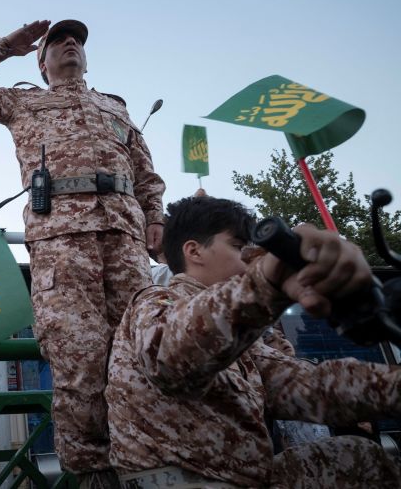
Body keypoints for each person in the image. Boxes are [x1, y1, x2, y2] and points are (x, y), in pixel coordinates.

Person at [0, 19, 165, 485]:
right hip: (62, 242)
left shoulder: (116, 108)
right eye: (59, 41)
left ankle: (148, 464)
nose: (71, 45)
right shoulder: (22, 102)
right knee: (79, 363)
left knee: (143, 351)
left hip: (124, 241)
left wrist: (157, 220)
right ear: (42, 62)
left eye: (78, 41)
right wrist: (5, 47)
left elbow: (146, 175)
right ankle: (90, 475)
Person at [106, 195, 401, 487]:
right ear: (194, 251)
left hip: (246, 479)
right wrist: (265, 282)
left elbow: (309, 387)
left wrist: (392, 387)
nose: (249, 259)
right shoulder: (154, 302)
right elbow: (170, 358)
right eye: (238, 246)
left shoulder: (244, 340)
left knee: (357, 457)